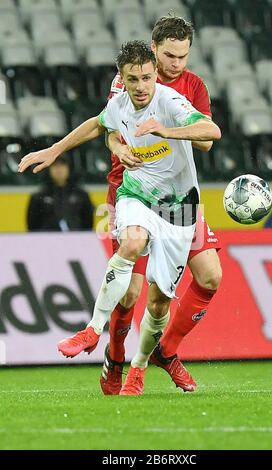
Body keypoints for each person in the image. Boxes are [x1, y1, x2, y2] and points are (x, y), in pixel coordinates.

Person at [101, 16, 223, 395]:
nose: (176, 65)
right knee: (131, 293)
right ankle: (116, 356)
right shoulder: (129, 81)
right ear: (153, 49)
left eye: (183, 57)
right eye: (169, 55)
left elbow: (206, 141)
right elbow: (107, 128)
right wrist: (117, 145)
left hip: (178, 198)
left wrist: (168, 128)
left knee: (210, 276)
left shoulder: (193, 86)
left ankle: (165, 352)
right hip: (133, 191)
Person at [27, 155, 94, 232]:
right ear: (49, 169)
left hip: (75, 241)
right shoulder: (38, 196)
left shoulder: (81, 195)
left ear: (69, 168)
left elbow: (88, 224)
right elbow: (32, 226)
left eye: (62, 165)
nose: (59, 169)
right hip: (46, 241)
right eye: (55, 165)